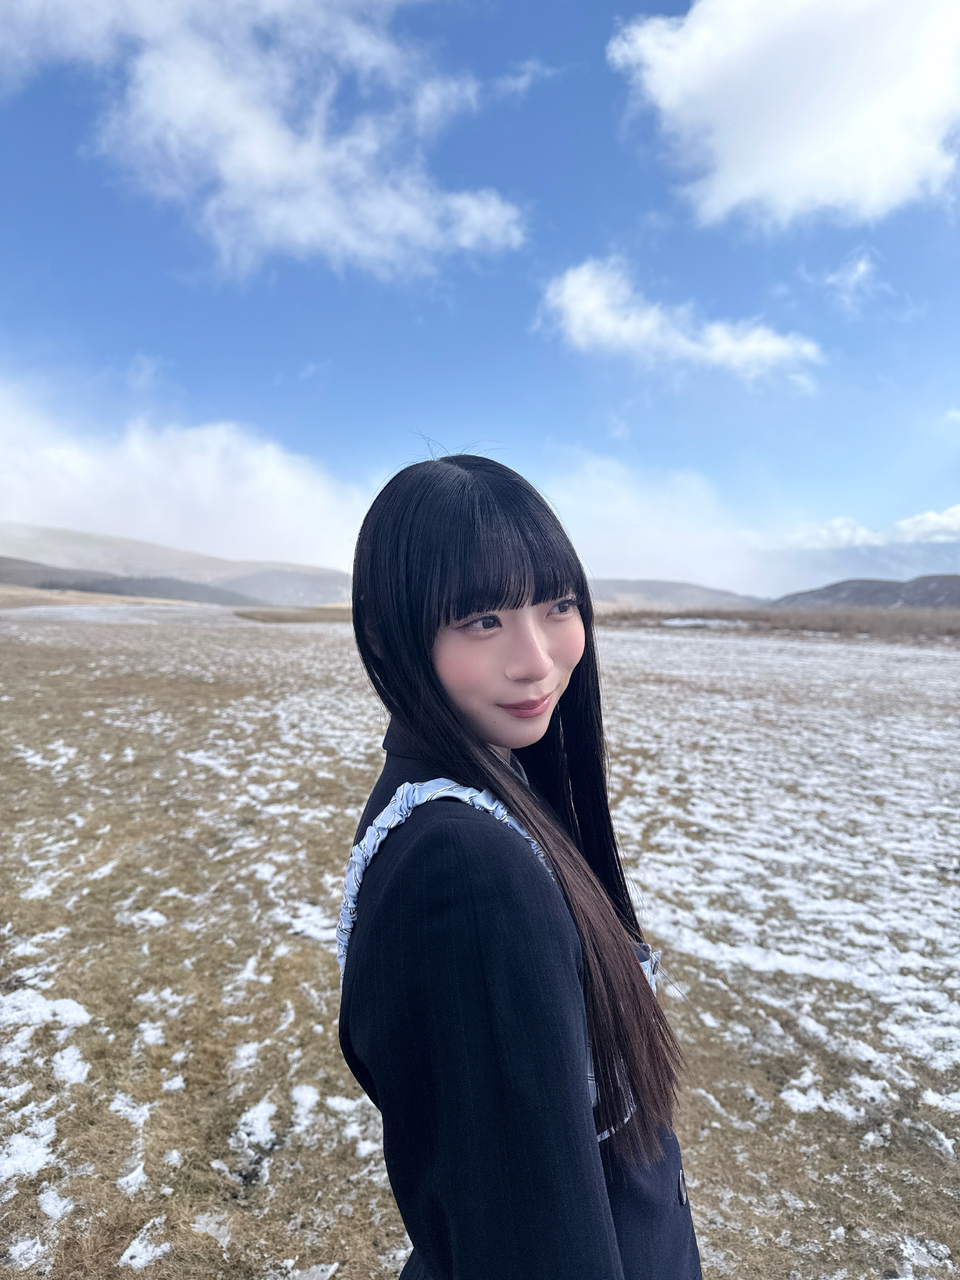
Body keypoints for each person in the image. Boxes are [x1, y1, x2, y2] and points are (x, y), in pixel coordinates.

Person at [338, 455, 702, 1280]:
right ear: (393, 634)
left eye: (557, 605)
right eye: (482, 620)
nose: (536, 659)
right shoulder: (469, 873)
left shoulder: (488, 786)